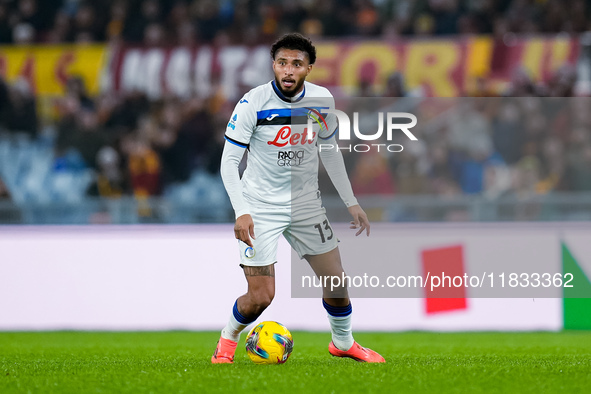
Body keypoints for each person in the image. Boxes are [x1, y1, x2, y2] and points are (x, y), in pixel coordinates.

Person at [213, 33, 385, 363]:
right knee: (262, 296)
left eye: (296, 64)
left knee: (336, 281)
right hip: (260, 206)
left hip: (306, 204)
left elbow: (330, 151)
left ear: (309, 69)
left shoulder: (322, 101)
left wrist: (351, 202)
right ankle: (229, 337)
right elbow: (229, 162)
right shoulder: (253, 103)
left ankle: (343, 342)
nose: (288, 71)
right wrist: (242, 211)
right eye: (282, 63)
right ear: (273, 66)